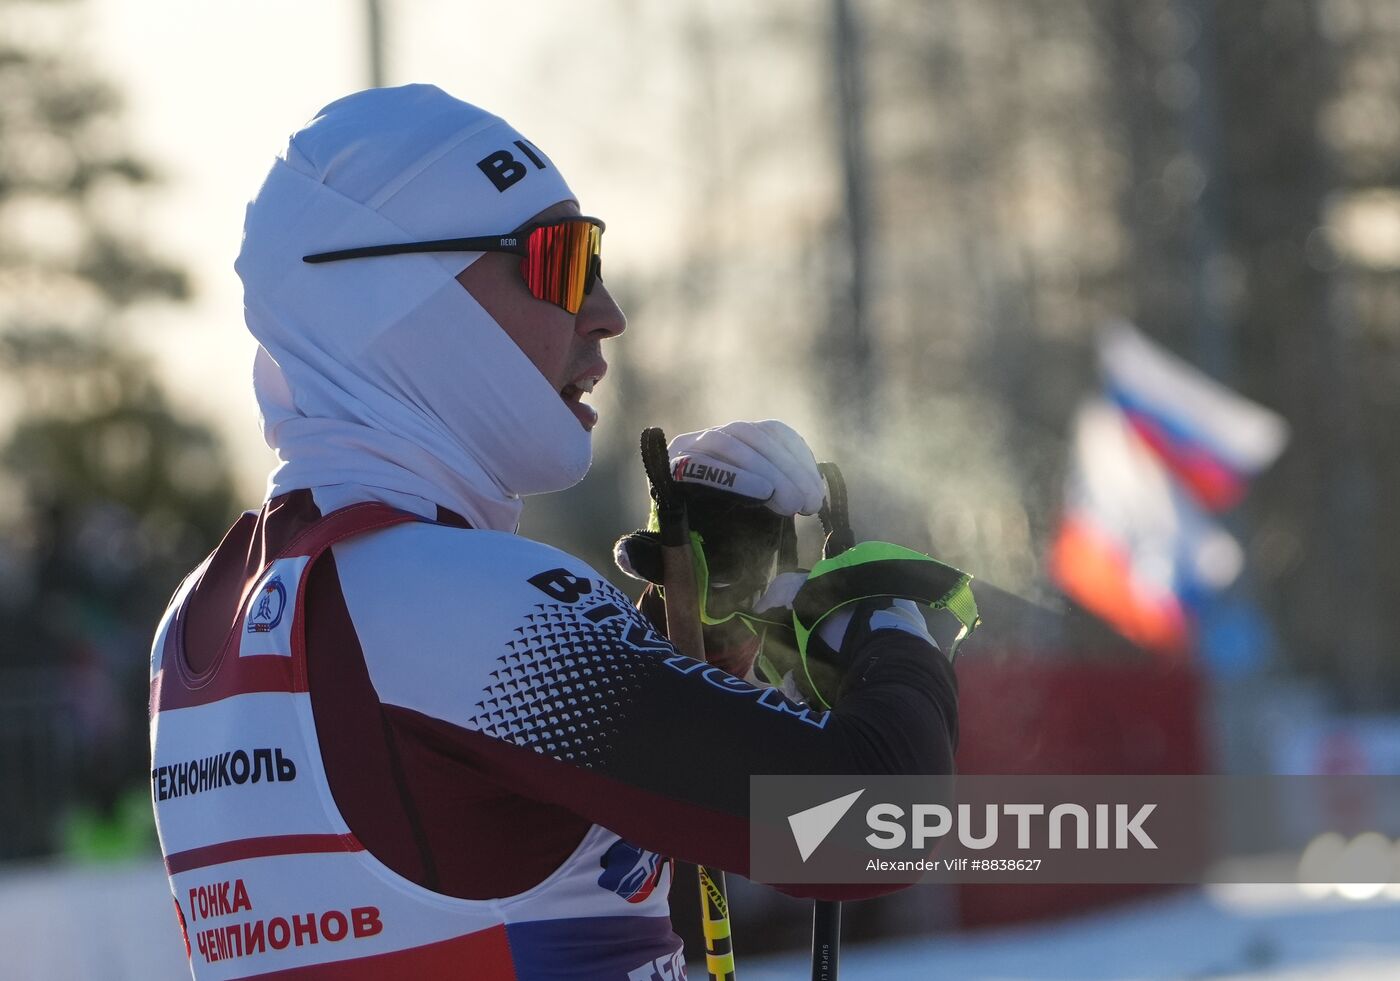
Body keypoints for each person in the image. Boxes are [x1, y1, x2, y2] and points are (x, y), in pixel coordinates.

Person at [148, 84, 961, 980]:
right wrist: (885, 622)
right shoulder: (446, 594)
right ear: (397, 298)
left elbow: (517, 859)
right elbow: (869, 823)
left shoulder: (203, 616)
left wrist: (697, 650)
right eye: (559, 261)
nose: (606, 309)